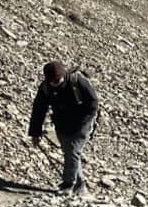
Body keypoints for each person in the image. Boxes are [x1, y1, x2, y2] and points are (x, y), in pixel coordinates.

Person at [28, 60, 98, 194]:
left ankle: (68, 184)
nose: (55, 83)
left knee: (73, 150)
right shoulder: (45, 88)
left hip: (83, 122)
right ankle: (80, 186)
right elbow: (39, 110)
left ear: (63, 75)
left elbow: (93, 103)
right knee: (70, 153)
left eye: (57, 80)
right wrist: (35, 133)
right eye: (51, 81)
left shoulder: (77, 81)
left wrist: (85, 121)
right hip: (62, 124)